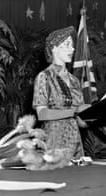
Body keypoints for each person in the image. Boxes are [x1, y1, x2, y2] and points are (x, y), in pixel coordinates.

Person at [32, 26, 90, 166]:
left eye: (72, 45)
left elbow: (81, 122)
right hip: (53, 142)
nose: (72, 49)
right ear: (54, 48)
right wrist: (73, 111)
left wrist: (93, 115)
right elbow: (42, 114)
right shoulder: (44, 77)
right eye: (67, 45)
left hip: (75, 144)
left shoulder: (75, 80)